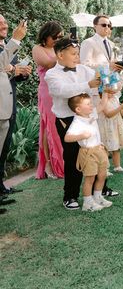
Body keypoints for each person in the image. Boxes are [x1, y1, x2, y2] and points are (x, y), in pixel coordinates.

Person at [46, 37, 118, 210]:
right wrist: (88, 84)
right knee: (73, 158)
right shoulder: (52, 74)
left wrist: (109, 80)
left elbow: (100, 80)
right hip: (67, 120)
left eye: (78, 53)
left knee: (95, 151)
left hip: (87, 117)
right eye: (73, 54)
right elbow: (62, 91)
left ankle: (100, 190)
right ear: (60, 55)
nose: (77, 57)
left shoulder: (83, 69)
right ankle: (70, 196)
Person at [64, 94, 113, 212]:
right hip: (88, 152)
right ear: (78, 109)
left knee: (102, 175)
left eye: (91, 103)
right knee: (90, 178)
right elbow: (67, 138)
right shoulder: (77, 122)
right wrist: (81, 135)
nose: (91, 105)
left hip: (99, 149)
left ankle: (98, 197)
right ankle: (88, 203)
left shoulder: (91, 115)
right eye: (88, 104)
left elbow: (102, 104)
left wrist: (106, 92)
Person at [0, 17, 29, 210]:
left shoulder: (5, 47)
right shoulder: (9, 46)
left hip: (6, 105)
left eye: (5, 22)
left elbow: (6, 72)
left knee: (2, 150)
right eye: (0, 23)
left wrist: (20, 73)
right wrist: (16, 40)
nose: (5, 25)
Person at [32, 21, 65, 179]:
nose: (58, 39)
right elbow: (48, 63)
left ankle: (64, 161)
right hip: (47, 92)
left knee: (61, 126)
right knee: (49, 127)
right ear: (46, 36)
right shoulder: (38, 49)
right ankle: (49, 165)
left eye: (61, 36)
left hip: (61, 90)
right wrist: (63, 51)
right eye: (55, 36)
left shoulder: (58, 47)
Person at [98, 87, 123, 173]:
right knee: (106, 147)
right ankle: (105, 169)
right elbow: (108, 114)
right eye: (109, 92)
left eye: (112, 91)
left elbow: (121, 113)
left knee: (116, 146)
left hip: (116, 125)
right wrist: (121, 107)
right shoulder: (102, 102)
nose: (112, 93)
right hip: (107, 126)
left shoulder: (115, 99)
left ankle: (117, 166)